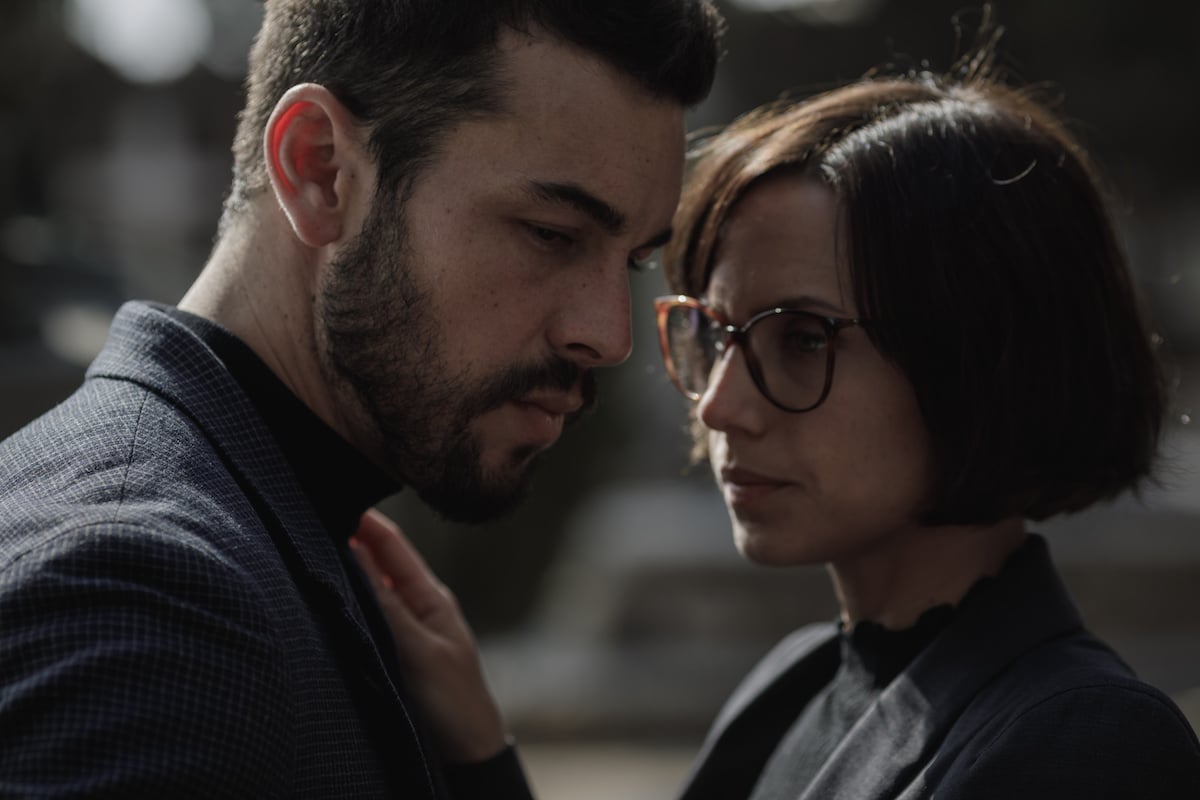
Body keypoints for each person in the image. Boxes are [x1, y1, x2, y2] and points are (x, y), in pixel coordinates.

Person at [351, 34, 1200, 800]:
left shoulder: (1087, 743)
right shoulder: (794, 688)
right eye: (714, 336)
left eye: (802, 338)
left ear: (985, 354)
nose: (721, 404)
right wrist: (477, 747)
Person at [0, 1, 724, 796]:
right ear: (319, 169)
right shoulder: (146, 595)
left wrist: (478, 765)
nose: (609, 336)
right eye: (551, 233)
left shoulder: (272, 529)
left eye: (630, 263)